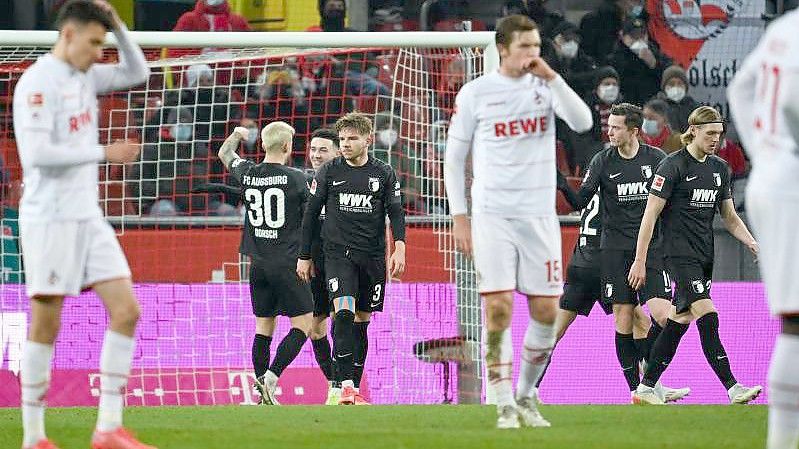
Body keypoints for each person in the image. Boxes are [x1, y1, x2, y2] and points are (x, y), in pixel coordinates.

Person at [12, 1, 152, 448]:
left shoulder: (86, 76)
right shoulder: (37, 83)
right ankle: (34, 437)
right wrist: (102, 153)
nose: (99, 53)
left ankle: (108, 429)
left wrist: (117, 25)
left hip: (88, 216)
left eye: (102, 43)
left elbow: (139, 72)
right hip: (48, 218)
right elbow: (37, 158)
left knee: (127, 311)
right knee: (46, 324)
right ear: (67, 35)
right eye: (94, 43)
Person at [443, 14, 592, 429]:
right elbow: (454, 160)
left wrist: (552, 77)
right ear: (503, 48)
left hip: (539, 216)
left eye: (537, 46)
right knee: (498, 309)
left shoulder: (546, 89)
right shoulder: (477, 93)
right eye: (525, 46)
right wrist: (460, 218)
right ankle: (503, 399)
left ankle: (527, 394)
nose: (532, 54)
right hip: (492, 215)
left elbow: (583, 123)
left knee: (546, 311)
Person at [629, 106, 762, 406]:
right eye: (710, 133)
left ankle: (646, 386)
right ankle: (732, 387)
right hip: (677, 255)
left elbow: (728, 216)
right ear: (694, 131)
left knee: (679, 320)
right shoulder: (673, 166)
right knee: (708, 315)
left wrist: (752, 242)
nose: (716, 139)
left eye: (719, 133)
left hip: (704, 256)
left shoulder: (719, 169)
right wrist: (640, 259)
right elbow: (650, 215)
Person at [573, 103, 683, 401]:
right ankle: (638, 390)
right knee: (623, 316)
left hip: (652, 250)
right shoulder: (602, 160)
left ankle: (650, 381)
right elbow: (581, 200)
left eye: (616, 127)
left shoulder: (657, 159)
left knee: (666, 317)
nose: (610, 132)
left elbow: (674, 201)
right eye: (609, 126)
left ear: (633, 131)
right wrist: (558, 183)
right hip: (615, 251)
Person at [297, 112, 406, 406]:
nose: (345, 144)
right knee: (342, 313)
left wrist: (400, 246)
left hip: (371, 258)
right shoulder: (329, 172)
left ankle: (352, 391)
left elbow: (395, 211)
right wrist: (304, 256)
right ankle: (341, 386)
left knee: (361, 321)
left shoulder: (383, 173)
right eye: (342, 139)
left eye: (351, 139)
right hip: (337, 256)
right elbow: (310, 216)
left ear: (367, 140)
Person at [728, 14, 799, 446]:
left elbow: (740, 87)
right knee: (796, 323)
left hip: (776, 180)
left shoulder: (785, 27)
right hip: (791, 188)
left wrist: (764, 153)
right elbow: (792, 103)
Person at [217, 122, 313, 406]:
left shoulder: (248, 173)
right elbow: (311, 222)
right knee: (303, 325)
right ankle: (271, 377)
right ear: (287, 146)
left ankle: (261, 395)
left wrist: (237, 135)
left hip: (257, 264)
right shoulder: (298, 179)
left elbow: (225, 152)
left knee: (263, 328)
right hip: (287, 263)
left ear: (263, 146)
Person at [304, 128, 343, 405]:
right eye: (313, 149)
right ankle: (334, 385)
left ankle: (345, 384)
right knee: (315, 329)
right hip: (314, 266)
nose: (316, 155)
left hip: (343, 263)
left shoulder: (350, 181)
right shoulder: (302, 182)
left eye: (323, 150)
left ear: (338, 152)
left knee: (345, 322)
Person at [607, 18, 671, 106]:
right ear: (622, 36)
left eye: (642, 36)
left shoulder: (656, 53)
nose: (639, 40)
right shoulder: (614, 58)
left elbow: (670, 76)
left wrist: (654, 65)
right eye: (634, 36)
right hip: (626, 106)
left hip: (652, 105)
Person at [655, 65, 699, 133]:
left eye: (680, 83)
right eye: (671, 84)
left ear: (685, 87)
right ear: (664, 87)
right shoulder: (657, 109)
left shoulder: (695, 109)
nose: (676, 87)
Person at [173, 0, 250, 32]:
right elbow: (175, 51)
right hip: (197, 63)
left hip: (231, 65)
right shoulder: (189, 19)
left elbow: (253, 50)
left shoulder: (238, 20)